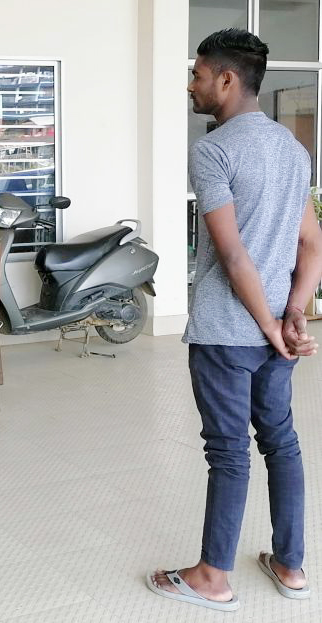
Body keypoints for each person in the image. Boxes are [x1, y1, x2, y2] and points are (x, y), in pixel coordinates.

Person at [147, 29, 322, 612]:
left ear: (226, 79)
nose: (191, 86)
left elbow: (233, 254)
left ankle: (212, 579)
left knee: (228, 451)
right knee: (281, 442)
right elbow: (312, 245)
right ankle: (291, 566)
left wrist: (274, 327)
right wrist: (291, 315)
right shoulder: (294, 151)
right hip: (274, 332)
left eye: (197, 74)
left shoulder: (213, 149)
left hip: (227, 331)